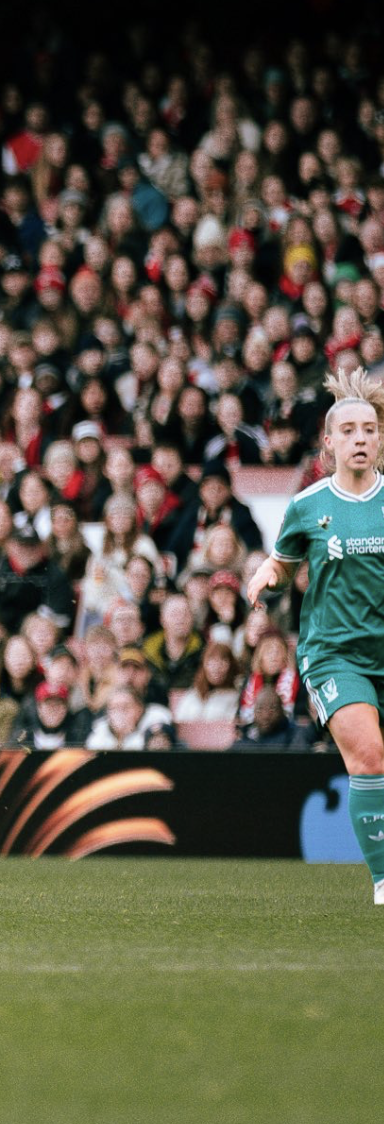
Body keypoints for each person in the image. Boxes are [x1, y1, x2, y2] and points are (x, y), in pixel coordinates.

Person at [245, 367, 384, 902]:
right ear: (329, 443)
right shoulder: (309, 506)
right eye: (348, 431)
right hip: (335, 655)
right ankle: (383, 879)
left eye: (369, 429)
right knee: (368, 756)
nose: (360, 439)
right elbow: (283, 564)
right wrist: (267, 573)